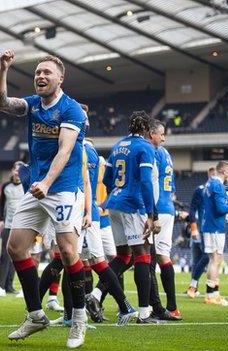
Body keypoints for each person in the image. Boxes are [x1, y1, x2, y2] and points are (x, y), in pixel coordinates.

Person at [0, 49, 88, 348]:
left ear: (61, 78)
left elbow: (65, 150)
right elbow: (1, 103)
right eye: (37, 73)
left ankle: (80, 320)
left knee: (68, 253)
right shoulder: (33, 105)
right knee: (16, 247)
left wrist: (46, 182)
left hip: (62, 188)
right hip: (39, 187)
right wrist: (3, 69)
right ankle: (36, 315)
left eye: (47, 72)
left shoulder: (72, 110)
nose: (41, 76)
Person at [103, 111, 164, 324]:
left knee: (122, 257)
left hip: (115, 204)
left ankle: (94, 295)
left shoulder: (118, 145)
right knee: (142, 254)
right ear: (147, 129)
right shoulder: (145, 147)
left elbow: (106, 178)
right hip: (132, 206)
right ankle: (144, 313)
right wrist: (151, 214)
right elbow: (146, 182)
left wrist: (118, 192)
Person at [79, 116, 137, 327]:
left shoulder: (82, 151)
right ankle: (97, 306)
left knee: (79, 261)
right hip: (95, 212)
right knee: (95, 261)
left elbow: (86, 182)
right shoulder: (94, 153)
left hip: (85, 213)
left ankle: (77, 312)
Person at [146, 120, 182, 320]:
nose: (164, 137)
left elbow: (149, 181)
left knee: (148, 258)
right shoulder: (166, 153)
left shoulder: (153, 150)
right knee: (163, 256)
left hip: (157, 209)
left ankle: (154, 306)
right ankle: (172, 306)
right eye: (162, 133)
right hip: (168, 206)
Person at [201, 161, 228, 306]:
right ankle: (211, 296)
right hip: (215, 227)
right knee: (215, 260)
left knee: (215, 259)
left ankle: (213, 294)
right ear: (223, 171)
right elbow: (220, 208)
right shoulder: (217, 185)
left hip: (210, 225)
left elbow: (216, 199)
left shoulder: (211, 183)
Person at [0, 161, 25, 297]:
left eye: (21, 170)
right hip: (8, 225)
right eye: (16, 170)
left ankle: (9, 286)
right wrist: (0, 220)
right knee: (5, 255)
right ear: (12, 171)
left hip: (21, 226)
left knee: (17, 255)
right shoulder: (6, 186)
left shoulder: (26, 186)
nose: (18, 173)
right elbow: (2, 204)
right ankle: (1, 286)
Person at [186, 167, 215, 298]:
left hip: (211, 228)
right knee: (201, 258)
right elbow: (192, 210)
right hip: (201, 228)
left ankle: (195, 287)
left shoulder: (219, 190)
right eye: (213, 174)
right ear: (209, 174)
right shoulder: (200, 189)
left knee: (205, 258)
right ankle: (194, 287)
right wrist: (194, 228)